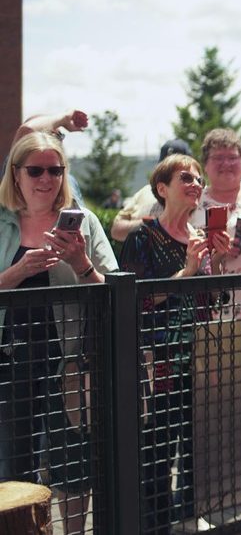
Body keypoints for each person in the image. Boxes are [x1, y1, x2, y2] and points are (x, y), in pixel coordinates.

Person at [0, 132, 117, 535]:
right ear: (16, 175)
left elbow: (112, 288)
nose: (45, 179)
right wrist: (20, 271)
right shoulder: (1, 223)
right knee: (13, 462)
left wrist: (81, 261)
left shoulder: (84, 221)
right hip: (9, 361)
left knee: (71, 462)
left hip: (67, 358)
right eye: (35, 170)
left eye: (55, 169)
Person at [119, 154, 230, 535]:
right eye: (186, 177)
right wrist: (187, 271)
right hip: (159, 361)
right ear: (162, 189)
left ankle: (188, 517)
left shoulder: (198, 239)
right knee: (159, 448)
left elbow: (213, 300)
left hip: (198, 358)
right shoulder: (143, 236)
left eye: (199, 178)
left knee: (197, 446)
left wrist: (216, 259)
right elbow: (137, 299)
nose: (196, 183)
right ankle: (156, 525)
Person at [189, 129, 241, 319]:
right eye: (218, 158)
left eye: (233, 157)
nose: (226, 163)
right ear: (205, 164)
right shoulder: (191, 200)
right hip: (206, 306)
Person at [111, 139, 192, 242]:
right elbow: (116, 230)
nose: (168, 174)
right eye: (165, 168)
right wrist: (148, 224)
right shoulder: (145, 191)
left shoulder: (198, 195)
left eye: (177, 170)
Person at [3, 110, 88, 205]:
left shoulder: (69, 181)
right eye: (35, 171)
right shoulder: (14, 165)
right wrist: (64, 119)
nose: (46, 178)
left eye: (55, 171)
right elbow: (27, 130)